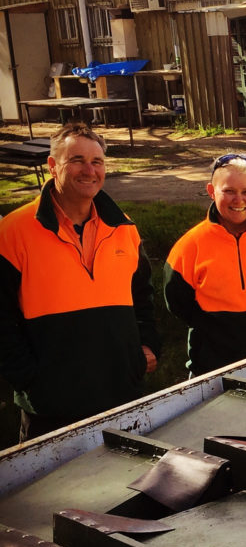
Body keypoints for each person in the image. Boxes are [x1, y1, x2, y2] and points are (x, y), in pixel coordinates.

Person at [0, 122, 160, 441]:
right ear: (52, 166)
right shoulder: (13, 232)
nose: (89, 170)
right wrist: (29, 378)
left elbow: (142, 297)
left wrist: (146, 347)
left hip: (121, 395)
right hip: (50, 407)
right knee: (48, 491)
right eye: (76, 160)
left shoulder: (124, 228)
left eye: (97, 162)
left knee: (122, 486)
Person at [164, 153, 246, 376]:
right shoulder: (190, 245)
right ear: (211, 191)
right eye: (228, 191)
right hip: (211, 367)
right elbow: (177, 303)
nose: (239, 200)